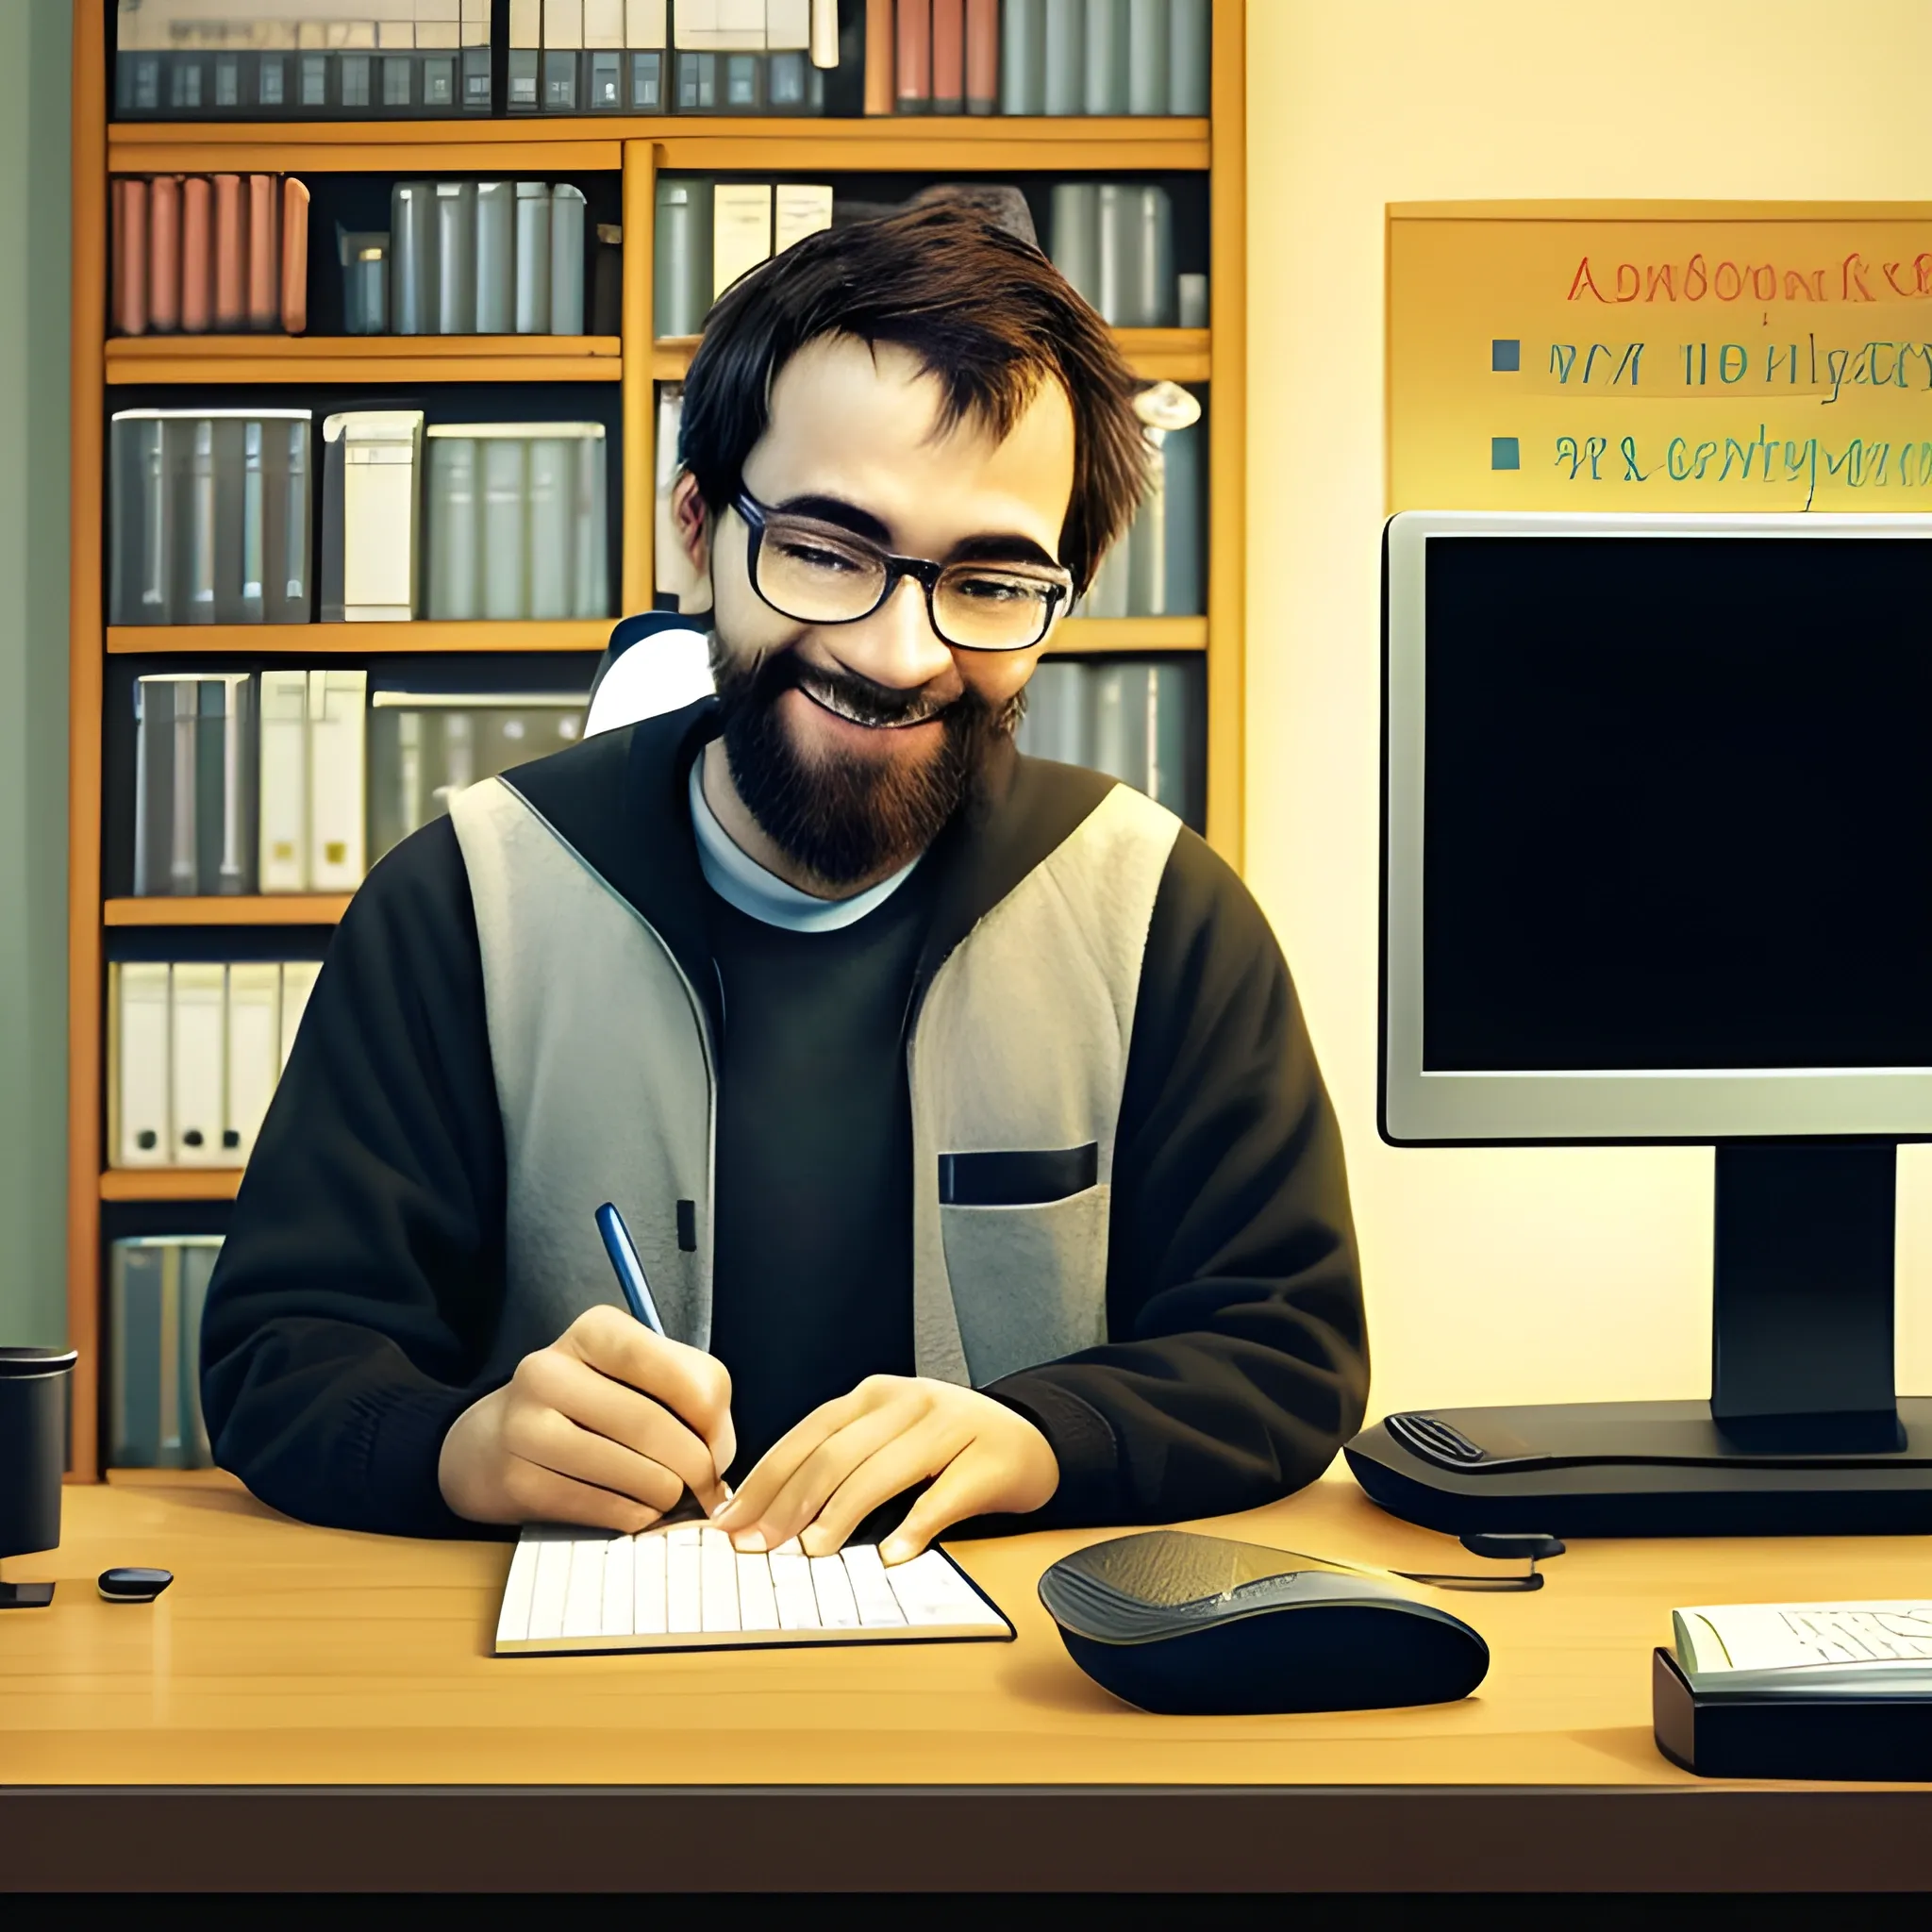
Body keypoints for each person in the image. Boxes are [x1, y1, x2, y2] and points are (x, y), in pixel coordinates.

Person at [201, 204, 1368, 1565]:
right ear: (696, 529)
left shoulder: (1162, 912)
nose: (896, 649)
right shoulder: (463, 899)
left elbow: (1288, 1350)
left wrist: (1047, 1435)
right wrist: (463, 1447)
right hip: (571, 1714)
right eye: (823, 551)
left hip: (1015, 1709)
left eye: (988, 580)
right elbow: (281, 1358)